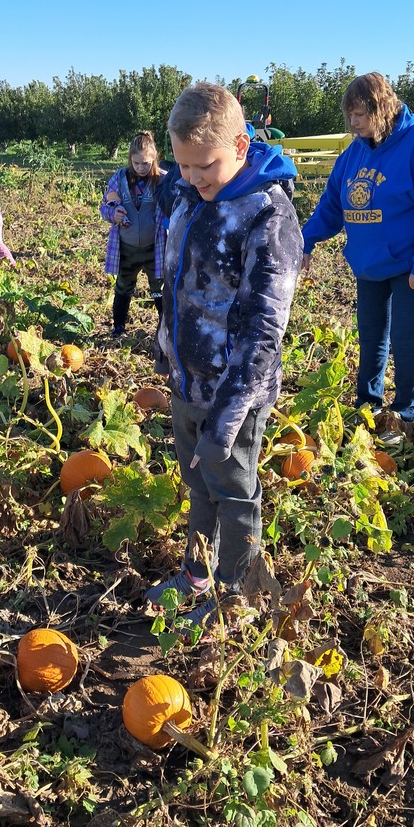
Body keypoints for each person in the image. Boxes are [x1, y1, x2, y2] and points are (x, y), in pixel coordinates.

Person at [145, 82, 303, 633]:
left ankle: (240, 597)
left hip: (236, 392)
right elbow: (177, 286)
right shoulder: (192, 195)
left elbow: (265, 327)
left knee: (234, 491)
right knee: (199, 485)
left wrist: (231, 413)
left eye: (204, 165)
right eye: (183, 166)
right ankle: (196, 574)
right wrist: (166, 349)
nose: (191, 177)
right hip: (190, 380)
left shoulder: (268, 216)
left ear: (241, 145)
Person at [302, 72, 414, 424]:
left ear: (383, 107)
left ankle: (406, 410)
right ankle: (368, 404)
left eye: (360, 114)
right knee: (371, 333)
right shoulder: (354, 153)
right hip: (370, 262)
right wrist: (306, 240)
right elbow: (331, 205)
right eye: (350, 115)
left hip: (412, 263)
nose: (353, 122)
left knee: (405, 335)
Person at [99, 131, 166, 338]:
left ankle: (165, 329)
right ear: (130, 159)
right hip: (127, 248)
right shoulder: (119, 179)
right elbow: (104, 207)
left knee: (158, 289)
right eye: (136, 163)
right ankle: (118, 327)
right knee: (123, 287)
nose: (141, 168)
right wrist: (113, 214)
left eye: (145, 163)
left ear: (154, 157)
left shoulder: (162, 180)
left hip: (153, 247)